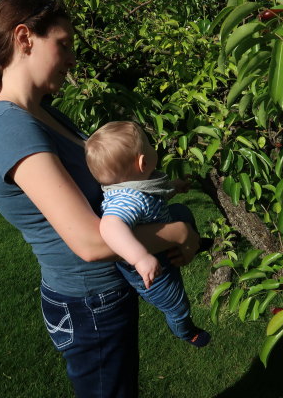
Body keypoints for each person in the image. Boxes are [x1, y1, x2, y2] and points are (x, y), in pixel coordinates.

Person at [0, 0, 200, 398]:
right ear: (25, 38)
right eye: (64, 44)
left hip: (102, 294)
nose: (73, 58)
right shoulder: (11, 128)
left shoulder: (40, 111)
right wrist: (178, 233)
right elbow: (90, 242)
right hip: (89, 303)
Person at [85, 121, 211, 348]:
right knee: (176, 304)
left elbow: (154, 195)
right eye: (150, 146)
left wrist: (174, 186)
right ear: (142, 162)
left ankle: (194, 242)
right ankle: (186, 330)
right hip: (152, 268)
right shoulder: (127, 199)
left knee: (180, 211)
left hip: (159, 240)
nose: (155, 149)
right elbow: (110, 226)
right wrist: (140, 258)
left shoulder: (137, 185)